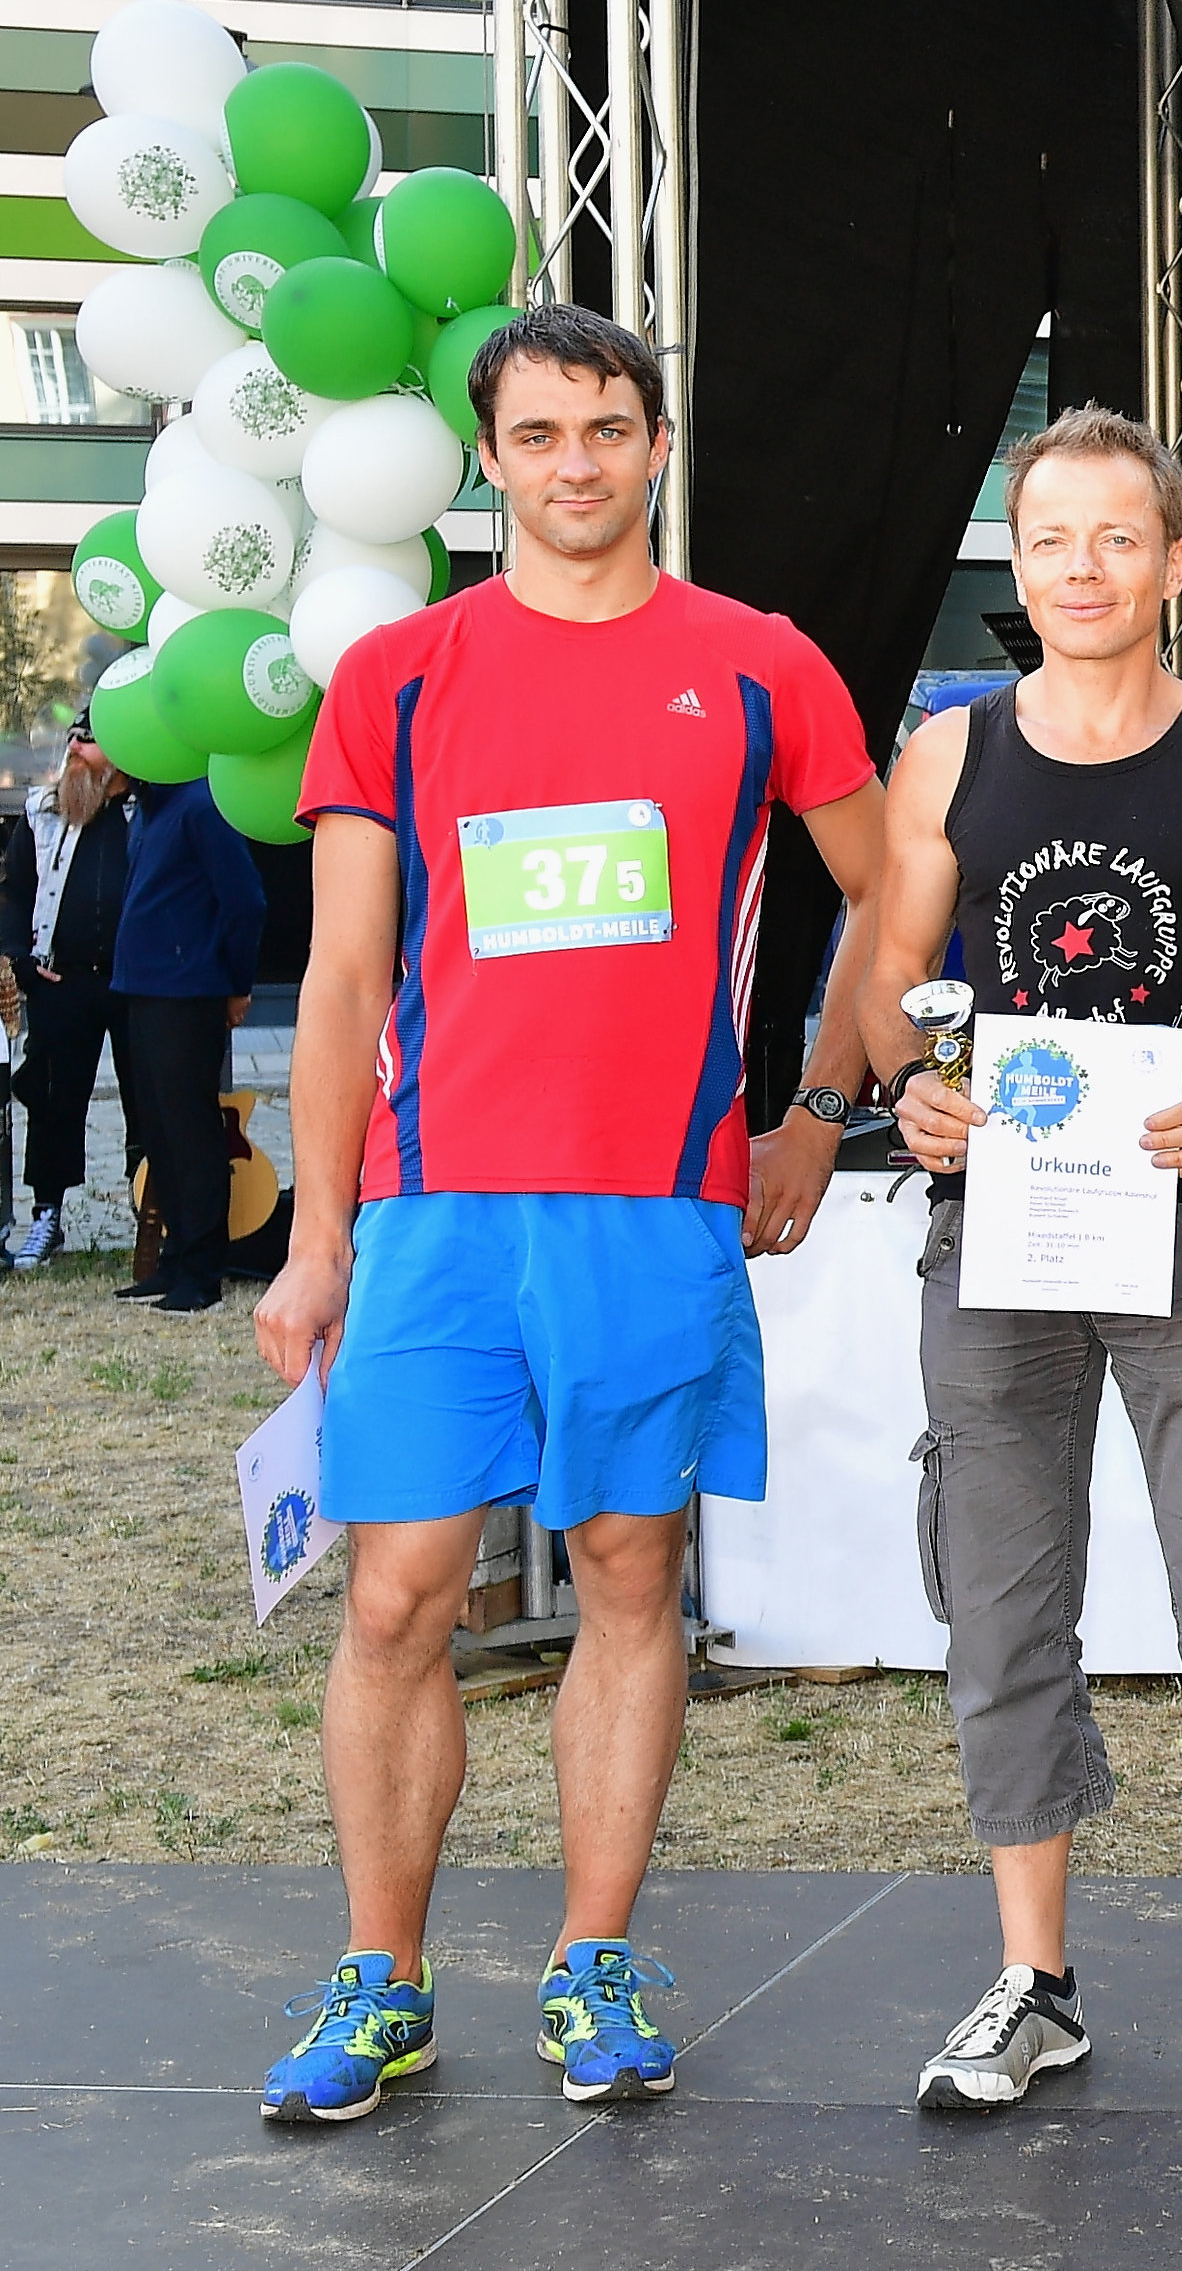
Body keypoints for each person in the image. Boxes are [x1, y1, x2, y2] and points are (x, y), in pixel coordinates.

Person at [254, 304, 886, 2123]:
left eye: (607, 430)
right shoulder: (399, 674)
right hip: (440, 1212)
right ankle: (380, 1979)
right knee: (397, 1598)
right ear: (491, 460)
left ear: (657, 445)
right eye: (538, 436)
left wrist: (819, 1114)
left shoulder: (761, 664)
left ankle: (592, 1963)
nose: (577, 464)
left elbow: (887, 894)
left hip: (655, 1208)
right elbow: (341, 974)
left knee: (628, 1575)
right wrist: (318, 1235)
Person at [863, 407, 1182, 2124]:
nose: (1082, 568)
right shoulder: (948, 754)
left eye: (1116, 538)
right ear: (1021, 556)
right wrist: (914, 1090)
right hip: (990, 1236)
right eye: (1050, 537)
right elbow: (884, 981)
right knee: (1002, 1609)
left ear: (1177, 563)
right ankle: (1035, 1980)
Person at [111, 767, 265, 1311]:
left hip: (187, 991)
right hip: (142, 988)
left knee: (191, 1130)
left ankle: (202, 1274)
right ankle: (173, 1261)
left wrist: (235, 982)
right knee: (158, 1128)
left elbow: (245, 900)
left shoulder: (202, 804)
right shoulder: (150, 809)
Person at [9, 719, 137, 1266]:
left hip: (136, 984)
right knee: (53, 1098)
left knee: (149, 1098)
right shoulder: (42, 811)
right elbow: (14, 893)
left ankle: (153, 1209)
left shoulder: (149, 811)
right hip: (61, 981)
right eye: (71, 740)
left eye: (88, 739)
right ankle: (47, 1214)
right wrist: (22, 962)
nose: (75, 750)